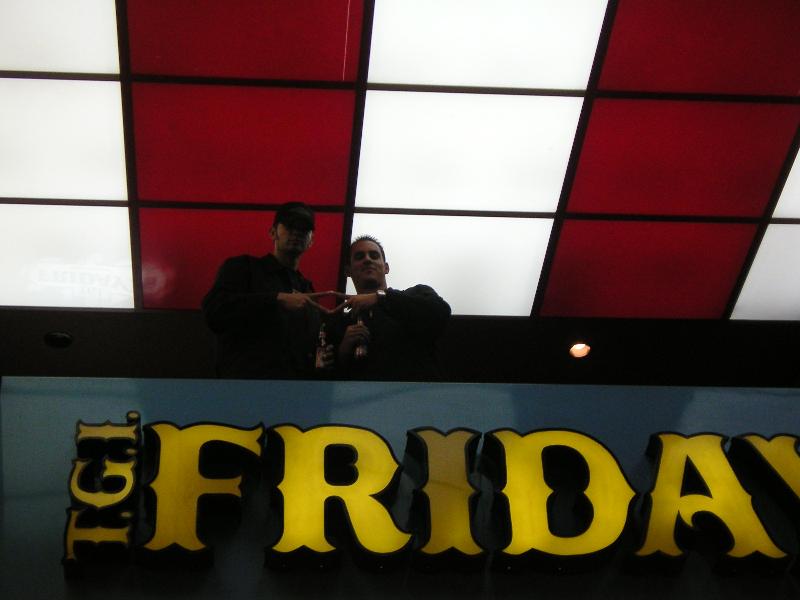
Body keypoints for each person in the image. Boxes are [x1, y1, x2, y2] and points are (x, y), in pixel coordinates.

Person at [202, 202, 337, 379]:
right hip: (245, 387)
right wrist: (276, 299)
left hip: (296, 390)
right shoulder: (244, 268)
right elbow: (214, 311)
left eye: (303, 229)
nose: (296, 232)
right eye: (290, 226)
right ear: (273, 232)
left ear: (311, 241)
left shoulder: (307, 288)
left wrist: (321, 358)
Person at [331, 235, 451, 381]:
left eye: (374, 255)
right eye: (359, 256)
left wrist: (381, 297)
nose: (367, 259)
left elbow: (441, 313)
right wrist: (342, 352)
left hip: (417, 393)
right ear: (347, 271)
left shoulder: (417, 294)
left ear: (386, 267)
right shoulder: (340, 325)